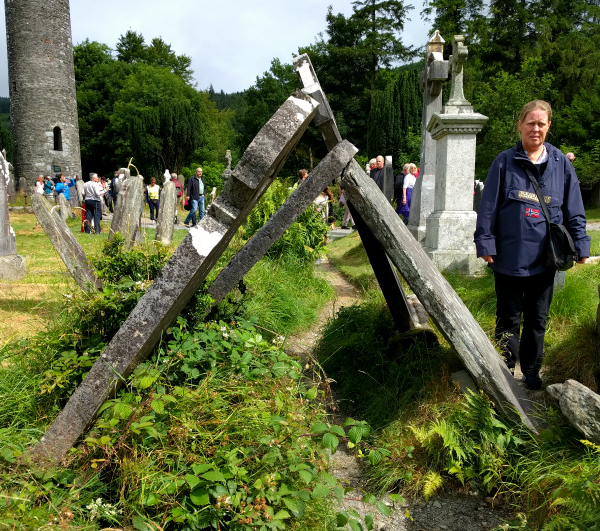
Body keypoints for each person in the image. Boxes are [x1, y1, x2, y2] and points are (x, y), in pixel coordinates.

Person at [474, 100, 590, 390]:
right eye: (530, 123)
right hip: (508, 257)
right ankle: (504, 373)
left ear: (549, 126)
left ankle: (531, 371)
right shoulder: (504, 161)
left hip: (546, 258)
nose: (535, 128)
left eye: (541, 123)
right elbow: (488, 207)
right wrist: (485, 242)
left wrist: (581, 246)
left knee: (537, 319)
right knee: (508, 318)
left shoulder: (561, 164)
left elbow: (574, 209)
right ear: (520, 125)